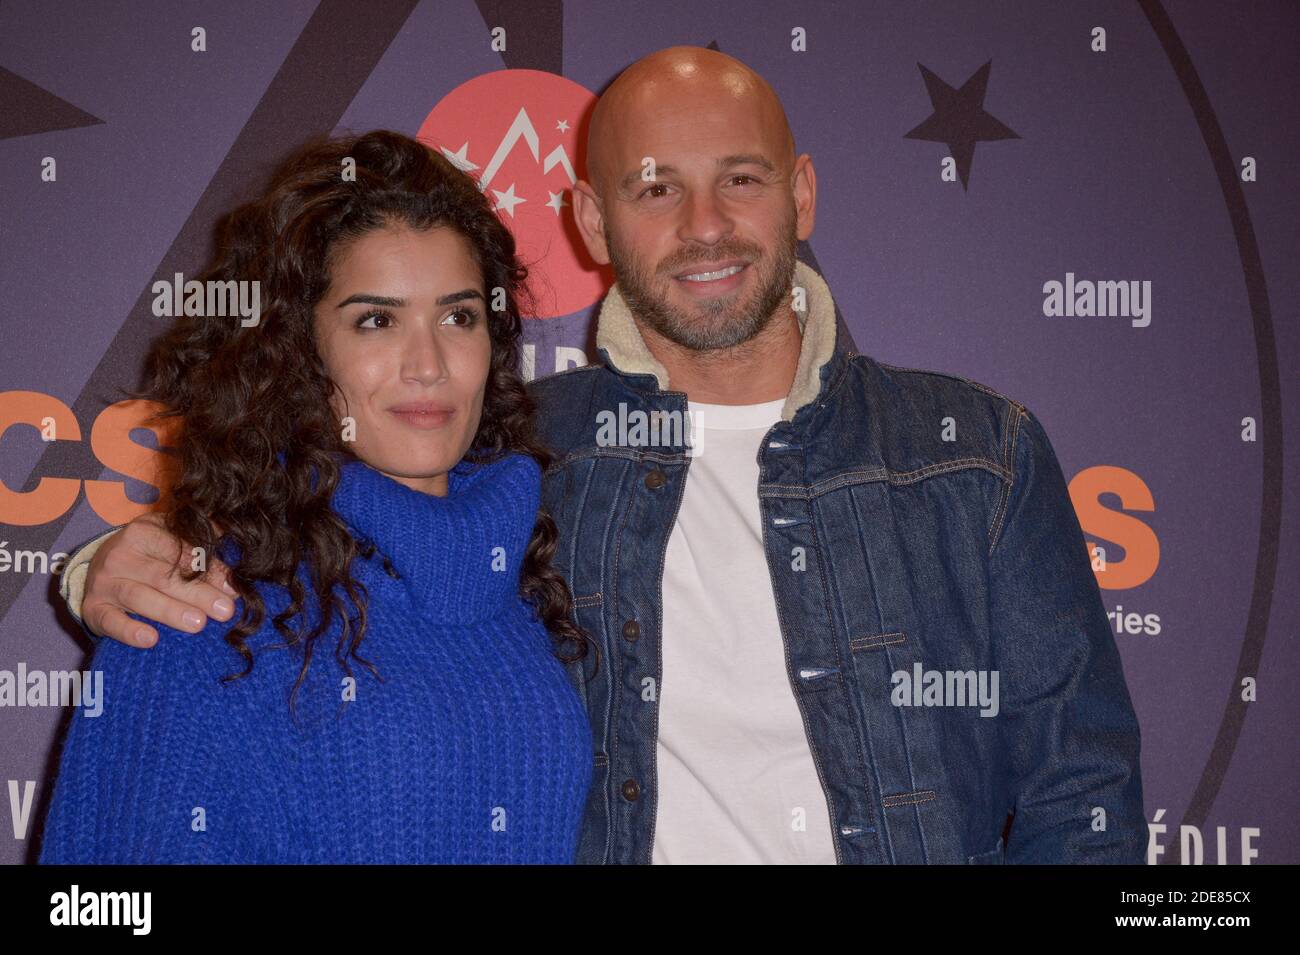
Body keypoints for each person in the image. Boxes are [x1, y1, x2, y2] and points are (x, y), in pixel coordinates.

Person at [57, 46, 1145, 864]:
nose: (705, 225)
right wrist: (109, 560)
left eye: (743, 179)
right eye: (655, 187)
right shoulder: (537, 450)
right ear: (589, 219)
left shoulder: (974, 456)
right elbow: (317, 515)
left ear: (803, 193)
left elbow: (1081, 794)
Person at [40, 130, 593, 864]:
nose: (428, 364)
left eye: (458, 316)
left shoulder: (522, 576)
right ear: (300, 349)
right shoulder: (200, 604)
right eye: (376, 320)